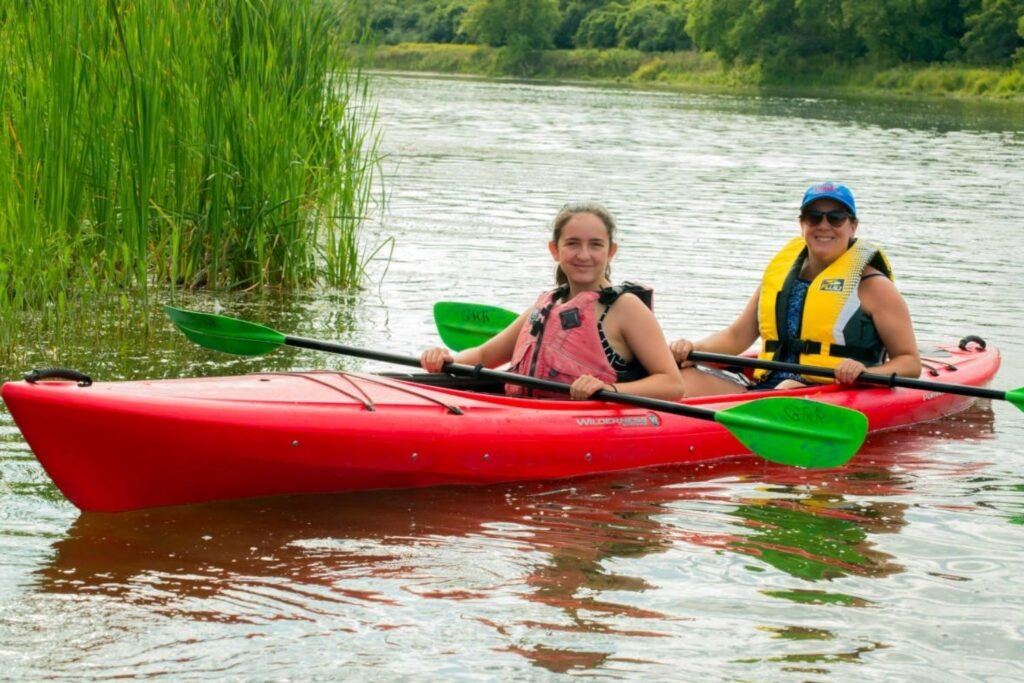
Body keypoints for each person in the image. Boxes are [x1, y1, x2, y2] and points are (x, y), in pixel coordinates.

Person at [670, 182, 921, 397]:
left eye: (836, 218)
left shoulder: (875, 287)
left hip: (830, 390)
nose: (824, 225)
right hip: (766, 387)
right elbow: (737, 337)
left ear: (853, 226)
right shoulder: (781, 275)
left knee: (787, 387)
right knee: (677, 376)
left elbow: (909, 363)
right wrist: (693, 350)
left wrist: (865, 373)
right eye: (814, 217)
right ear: (802, 224)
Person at [421, 202, 685, 401]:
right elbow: (483, 356)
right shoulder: (547, 304)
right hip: (524, 412)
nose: (584, 255)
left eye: (595, 245)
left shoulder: (625, 308)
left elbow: (672, 384)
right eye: (572, 244)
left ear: (611, 252)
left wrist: (610, 389)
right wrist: (446, 361)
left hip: (586, 420)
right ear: (555, 250)